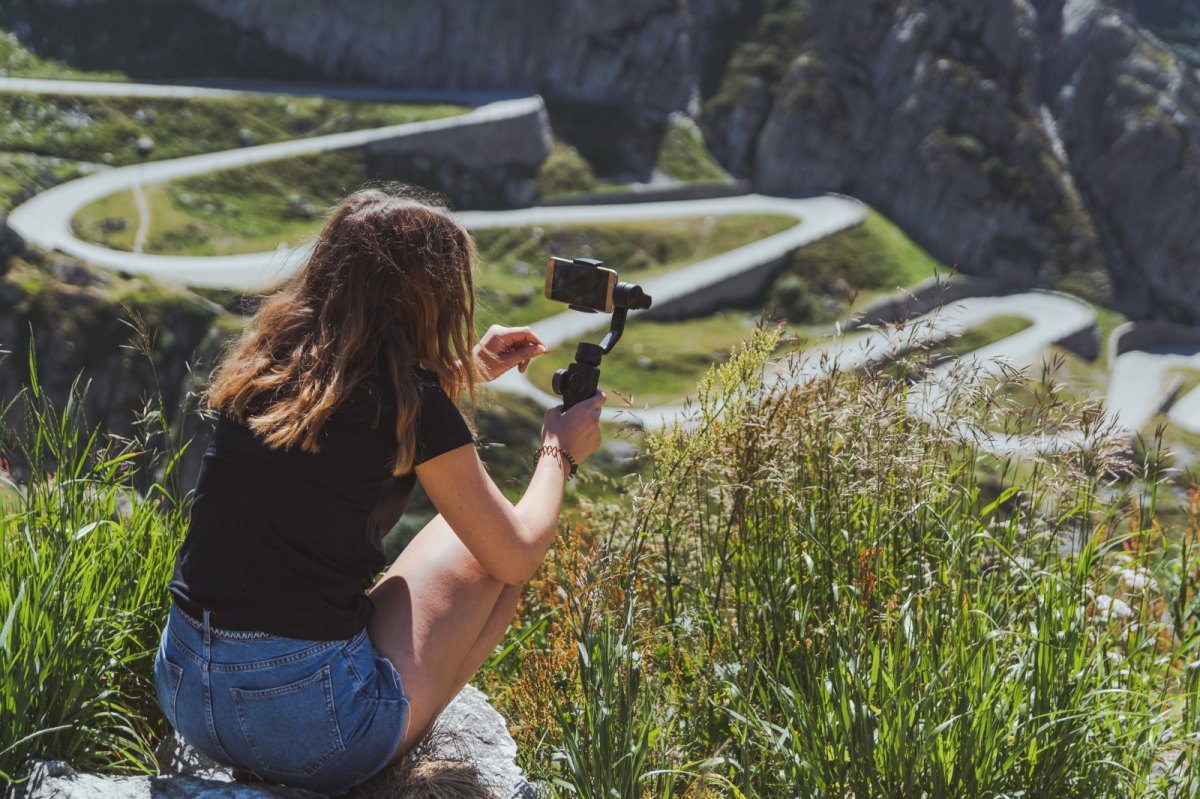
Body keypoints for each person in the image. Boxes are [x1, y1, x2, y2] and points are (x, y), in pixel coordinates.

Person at [153, 186, 606, 794]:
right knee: (487, 549)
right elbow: (517, 552)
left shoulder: (270, 360)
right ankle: (385, 757)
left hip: (183, 685)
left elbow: (353, 404)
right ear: (431, 300)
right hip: (303, 724)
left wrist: (465, 368)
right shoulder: (414, 402)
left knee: (469, 533)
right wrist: (560, 449)